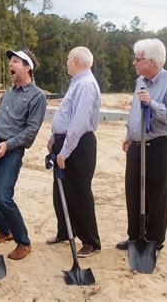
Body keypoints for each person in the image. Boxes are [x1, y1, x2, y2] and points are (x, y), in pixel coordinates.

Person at [0, 49, 47, 260]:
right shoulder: (8, 93)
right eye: (10, 62)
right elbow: (4, 121)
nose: (10, 65)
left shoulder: (37, 96)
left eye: (15, 61)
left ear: (27, 67)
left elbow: (30, 132)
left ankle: (23, 241)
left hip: (12, 153)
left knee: (4, 197)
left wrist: (7, 146)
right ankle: (5, 230)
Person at [116, 38, 167, 253]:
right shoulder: (140, 81)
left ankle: (153, 242)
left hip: (160, 147)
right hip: (137, 146)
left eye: (138, 59)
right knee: (133, 192)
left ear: (152, 62)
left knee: (157, 197)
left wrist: (151, 103)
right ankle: (135, 238)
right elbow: (135, 111)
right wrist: (129, 134)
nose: (134, 63)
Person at [46, 46, 102, 258]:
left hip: (79, 146)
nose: (67, 62)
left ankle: (90, 241)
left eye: (69, 58)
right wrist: (54, 139)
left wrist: (65, 151)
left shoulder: (86, 85)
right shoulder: (76, 83)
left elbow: (79, 122)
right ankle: (65, 231)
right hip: (66, 142)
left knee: (79, 192)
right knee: (60, 190)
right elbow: (66, 115)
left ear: (76, 60)